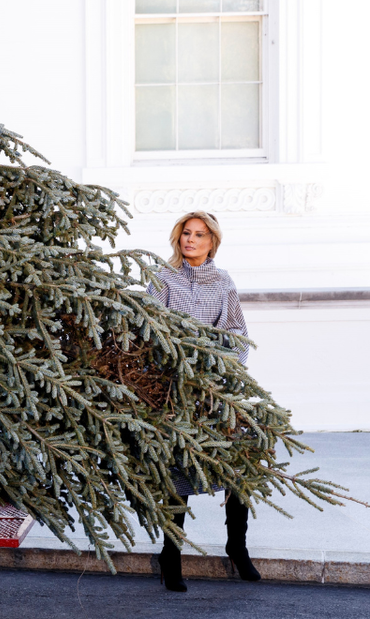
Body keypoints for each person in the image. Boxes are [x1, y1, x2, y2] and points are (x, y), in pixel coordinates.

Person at [146, 211, 261, 592]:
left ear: (212, 242)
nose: (190, 240)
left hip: (212, 390)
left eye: (199, 235)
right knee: (176, 469)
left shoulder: (223, 283)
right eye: (186, 234)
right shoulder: (163, 279)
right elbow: (150, 329)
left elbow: (237, 335)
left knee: (240, 458)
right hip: (172, 391)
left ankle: (237, 545)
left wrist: (218, 370)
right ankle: (171, 555)